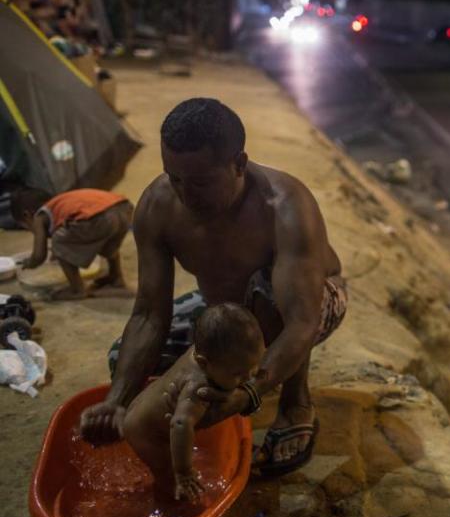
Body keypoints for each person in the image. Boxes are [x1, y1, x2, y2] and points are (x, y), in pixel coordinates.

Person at [79, 97, 347, 477]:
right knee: (125, 362)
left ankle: (295, 402)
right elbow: (149, 314)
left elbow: (301, 322)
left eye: (201, 182)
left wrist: (249, 394)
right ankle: (212, 398)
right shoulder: (158, 206)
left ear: (238, 164)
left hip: (309, 300)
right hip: (226, 305)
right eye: (175, 179)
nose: (187, 196)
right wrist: (117, 401)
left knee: (267, 292)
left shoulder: (284, 205)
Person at [123, 303, 264, 502]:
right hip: (147, 434)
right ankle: (171, 505)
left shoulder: (208, 353)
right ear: (204, 363)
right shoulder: (197, 386)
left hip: (140, 408)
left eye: (253, 367)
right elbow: (180, 424)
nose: (248, 377)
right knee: (169, 477)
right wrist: (184, 472)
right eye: (238, 374)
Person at [11, 186, 133, 300]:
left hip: (100, 217)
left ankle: (76, 289)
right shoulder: (60, 204)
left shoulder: (39, 216)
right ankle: (116, 277)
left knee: (59, 242)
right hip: (123, 208)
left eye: (26, 227)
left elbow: (39, 256)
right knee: (108, 246)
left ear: (27, 215)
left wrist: (30, 262)